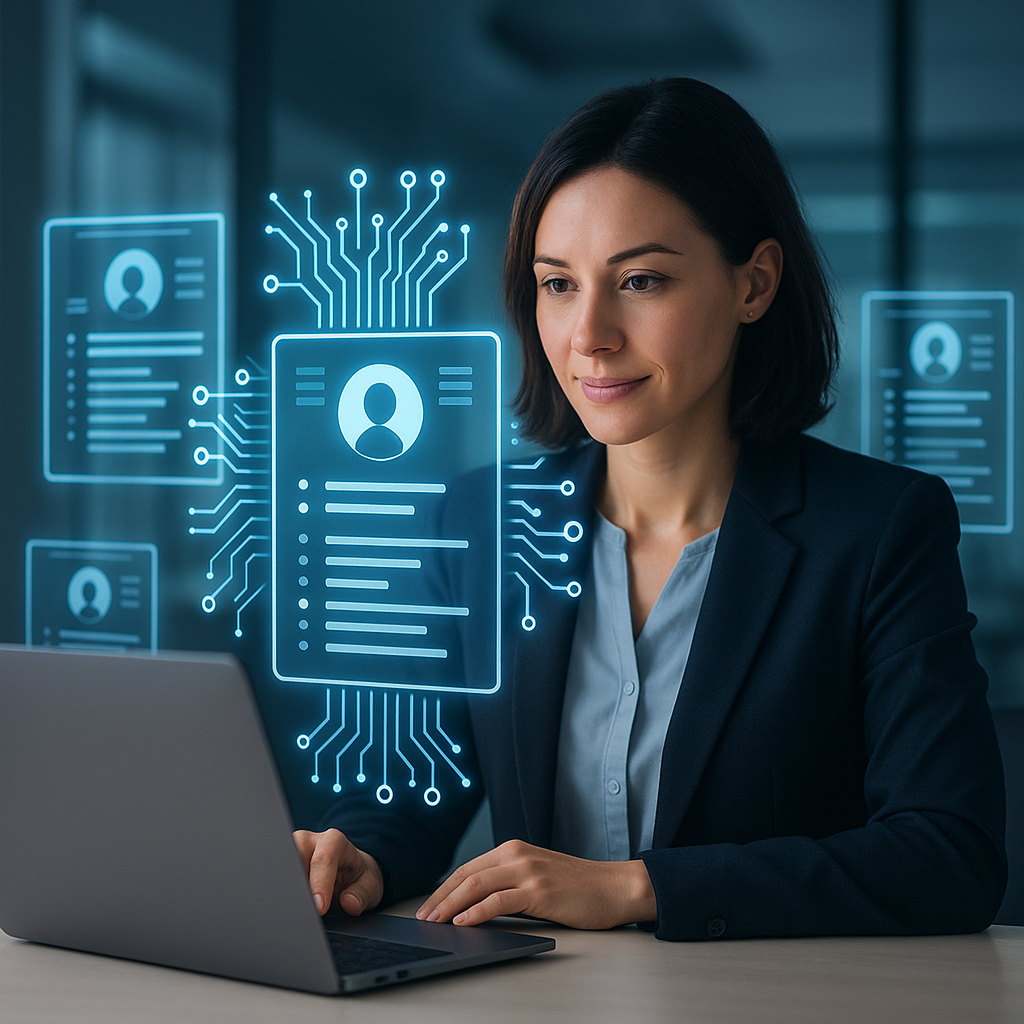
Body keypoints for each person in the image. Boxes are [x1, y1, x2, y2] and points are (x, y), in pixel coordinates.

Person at [294, 78, 1006, 941]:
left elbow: (949, 856)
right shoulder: (476, 523)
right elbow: (414, 794)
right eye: (558, 285)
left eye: (639, 280)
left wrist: (643, 888)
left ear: (755, 284)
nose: (589, 333)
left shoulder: (880, 530)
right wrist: (361, 857)